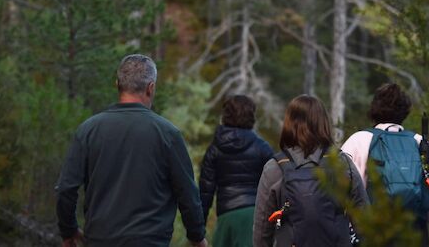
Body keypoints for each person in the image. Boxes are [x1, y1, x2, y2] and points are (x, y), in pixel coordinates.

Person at [55, 54, 208, 247]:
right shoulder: (168, 134)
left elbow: (66, 189)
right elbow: (187, 193)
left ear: (117, 84)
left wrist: (68, 231)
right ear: (151, 88)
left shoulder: (88, 130)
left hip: (99, 240)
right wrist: (197, 237)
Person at [341, 83, 429, 246]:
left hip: (370, 236)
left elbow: (341, 193)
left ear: (374, 109)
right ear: (405, 111)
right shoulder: (421, 143)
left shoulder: (358, 141)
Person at [253, 95, 367, 247]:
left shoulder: (275, 167)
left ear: (288, 123)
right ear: (323, 123)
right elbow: (363, 215)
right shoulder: (341, 162)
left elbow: (262, 227)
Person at [199, 95, 274, 247]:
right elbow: (275, 186)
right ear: (251, 116)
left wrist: (197, 231)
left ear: (225, 115)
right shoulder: (262, 148)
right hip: (255, 217)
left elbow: (205, 193)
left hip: (227, 217)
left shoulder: (214, 150)